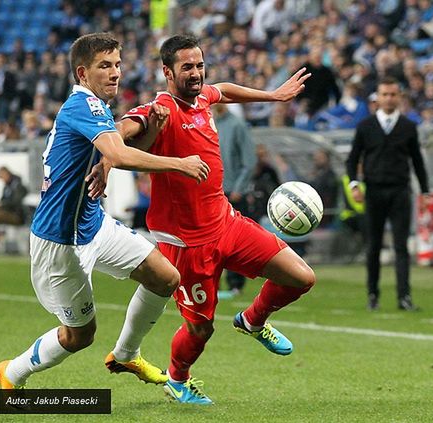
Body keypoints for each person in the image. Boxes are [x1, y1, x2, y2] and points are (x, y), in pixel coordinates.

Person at [0, 33, 210, 390]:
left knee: (165, 277)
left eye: (118, 65)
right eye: (105, 66)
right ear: (83, 73)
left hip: (92, 224)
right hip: (60, 243)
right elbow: (122, 155)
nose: (115, 73)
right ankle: (13, 373)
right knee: (80, 336)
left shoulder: (97, 107)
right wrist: (180, 164)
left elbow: (119, 156)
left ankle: (126, 354)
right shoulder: (84, 106)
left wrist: (153, 130)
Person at [117, 35, 315, 404]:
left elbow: (223, 90)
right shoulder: (159, 109)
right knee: (200, 328)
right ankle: (177, 380)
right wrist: (111, 145)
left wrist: (273, 96)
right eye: (187, 68)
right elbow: (122, 135)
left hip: (227, 223)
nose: (196, 74)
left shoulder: (203, 97)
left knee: (302, 277)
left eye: (199, 65)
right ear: (167, 72)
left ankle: (254, 320)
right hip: (186, 244)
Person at [346, 76, 429, 312]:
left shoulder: (408, 127)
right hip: (373, 191)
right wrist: (354, 185)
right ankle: (373, 294)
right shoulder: (365, 127)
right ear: (378, 97)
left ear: (399, 97)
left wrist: (425, 191)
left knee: (401, 246)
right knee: (373, 246)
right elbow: (353, 159)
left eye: (393, 94)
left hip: (400, 191)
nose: (389, 99)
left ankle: (405, 297)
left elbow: (417, 161)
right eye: (385, 94)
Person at [213, 102, 257, 300]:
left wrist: (239, 188)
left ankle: (236, 284)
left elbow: (249, 161)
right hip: (214, 192)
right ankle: (213, 282)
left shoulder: (237, 125)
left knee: (234, 242)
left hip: (233, 193)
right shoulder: (210, 123)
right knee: (213, 242)